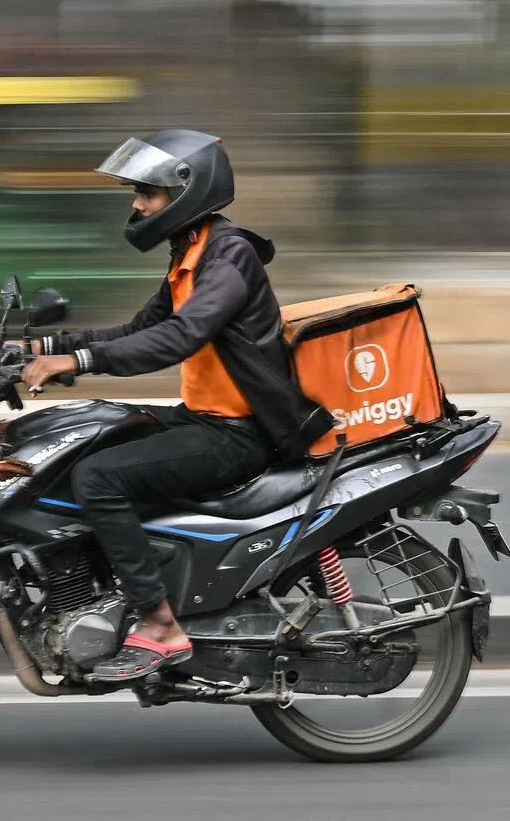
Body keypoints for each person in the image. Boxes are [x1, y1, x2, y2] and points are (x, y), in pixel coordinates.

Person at [21, 129, 334, 682]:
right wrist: (46, 347)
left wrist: (81, 362)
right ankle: (115, 586)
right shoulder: (190, 254)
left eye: (148, 193)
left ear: (188, 192)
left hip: (239, 434)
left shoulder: (228, 256)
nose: (138, 205)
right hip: (203, 417)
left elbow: (180, 337)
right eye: (137, 193)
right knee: (89, 432)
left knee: (98, 478)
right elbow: (139, 328)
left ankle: (160, 624)